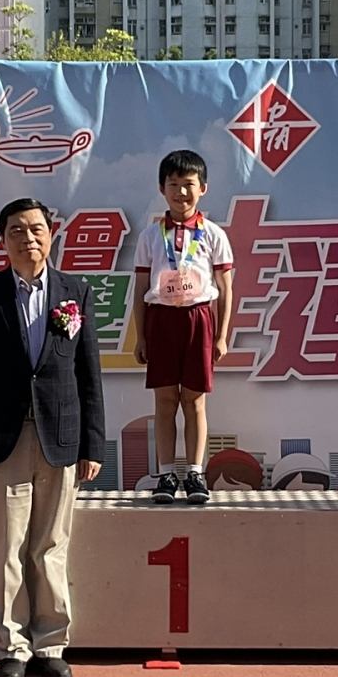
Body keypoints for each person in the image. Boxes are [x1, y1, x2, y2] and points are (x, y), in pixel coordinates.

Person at [0, 198, 106, 677]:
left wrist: (92, 446)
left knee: (50, 546)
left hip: (60, 437)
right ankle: (13, 647)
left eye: (36, 229)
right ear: (3, 240)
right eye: (16, 230)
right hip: (0, 439)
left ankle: (51, 645)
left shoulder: (75, 292)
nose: (27, 238)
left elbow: (89, 375)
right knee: (7, 548)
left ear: (50, 235)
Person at [131, 149, 234, 504]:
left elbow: (225, 289)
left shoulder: (213, 234)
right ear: (162, 189)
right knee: (165, 401)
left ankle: (194, 473)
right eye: (173, 184)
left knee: (194, 401)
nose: (181, 192)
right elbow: (140, 289)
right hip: (161, 320)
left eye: (189, 184)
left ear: (202, 188)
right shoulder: (150, 236)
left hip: (199, 319)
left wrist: (221, 335)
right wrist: (141, 336)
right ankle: (165, 474)